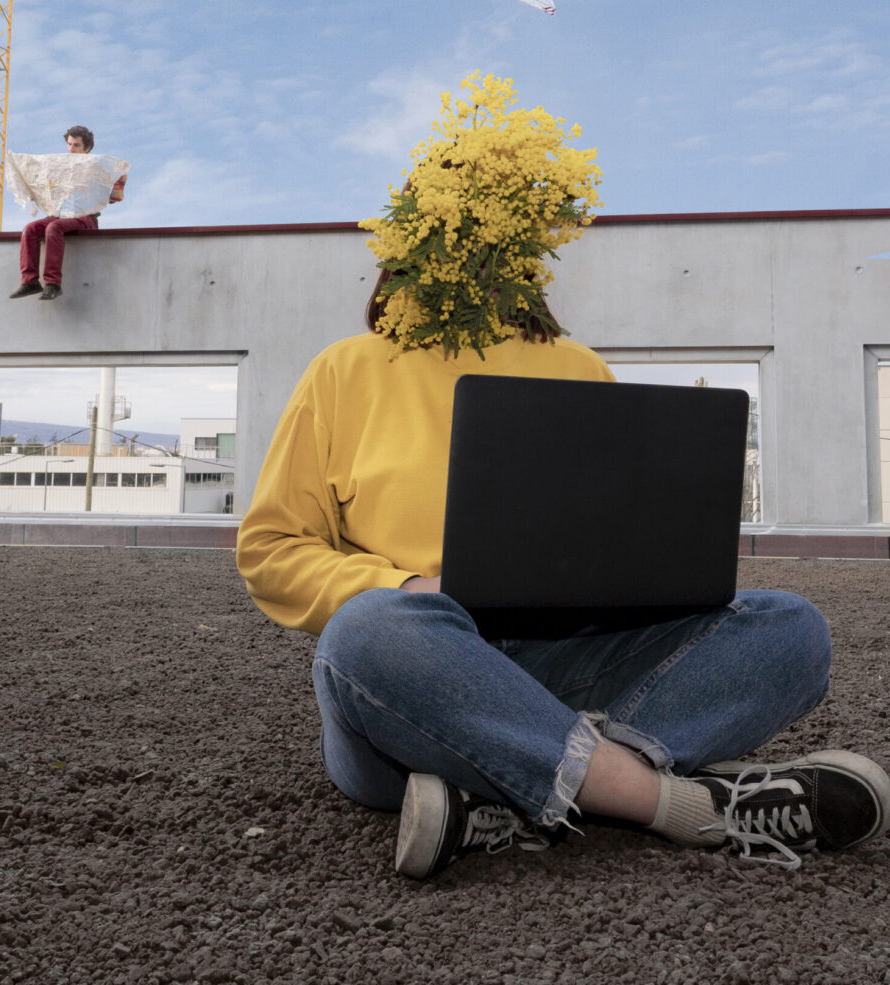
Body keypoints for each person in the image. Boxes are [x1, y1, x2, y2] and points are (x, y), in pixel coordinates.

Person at [235, 73, 889, 879]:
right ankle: (674, 802)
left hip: (572, 660)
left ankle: (498, 801)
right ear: (412, 240)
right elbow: (270, 547)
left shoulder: (576, 367)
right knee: (365, 633)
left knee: (792, 629)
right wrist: (405, 585)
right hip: (421, 677)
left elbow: (623, 537)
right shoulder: (345, 369)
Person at [10, 125, 126, 302]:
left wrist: (119, 181)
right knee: (30, 229)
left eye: (77, 145)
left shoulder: (96, 167)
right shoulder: (60, 168)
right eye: (70, 144)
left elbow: (112, 198)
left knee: (54, 228)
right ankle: (29, 281)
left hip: (85, 217)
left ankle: (53, 283)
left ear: (87, 148)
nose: (71, 149)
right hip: (60, 214)